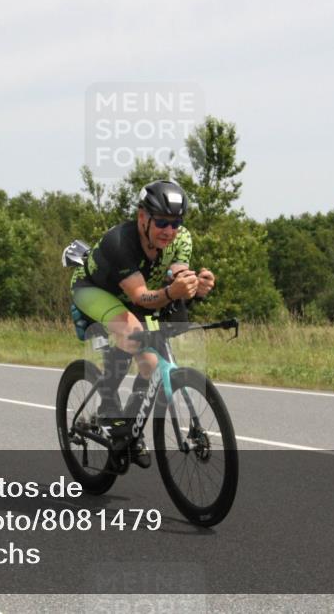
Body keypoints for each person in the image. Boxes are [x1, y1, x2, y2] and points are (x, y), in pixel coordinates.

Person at [69, 180, 216, 467]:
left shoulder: (181, 238)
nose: (169, 231)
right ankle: (109, 407)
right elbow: (141, 296)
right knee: (134, 333)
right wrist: (170, 293)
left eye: (176, 223)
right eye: (161, 222)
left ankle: (129, 431)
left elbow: (177, 275)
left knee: (150, 361)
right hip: (95, 290)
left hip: (134, 296)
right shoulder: (120, 242)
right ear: (142, 218)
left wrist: (193, 285)